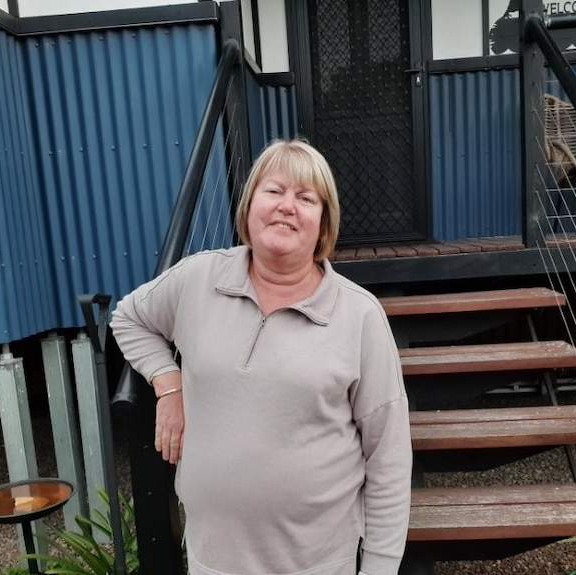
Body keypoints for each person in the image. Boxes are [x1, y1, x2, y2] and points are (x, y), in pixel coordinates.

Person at [110, 138, 412, 575]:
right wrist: (168, 384)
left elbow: (388, 455)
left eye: (306, 198)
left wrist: (381, 568)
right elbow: (128, 318)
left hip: (318, 565)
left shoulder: (358, 314)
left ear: (323, 224)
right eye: (273, 191)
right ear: (249, 206)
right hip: (212, 560)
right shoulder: (199, 279)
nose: (287, 206)